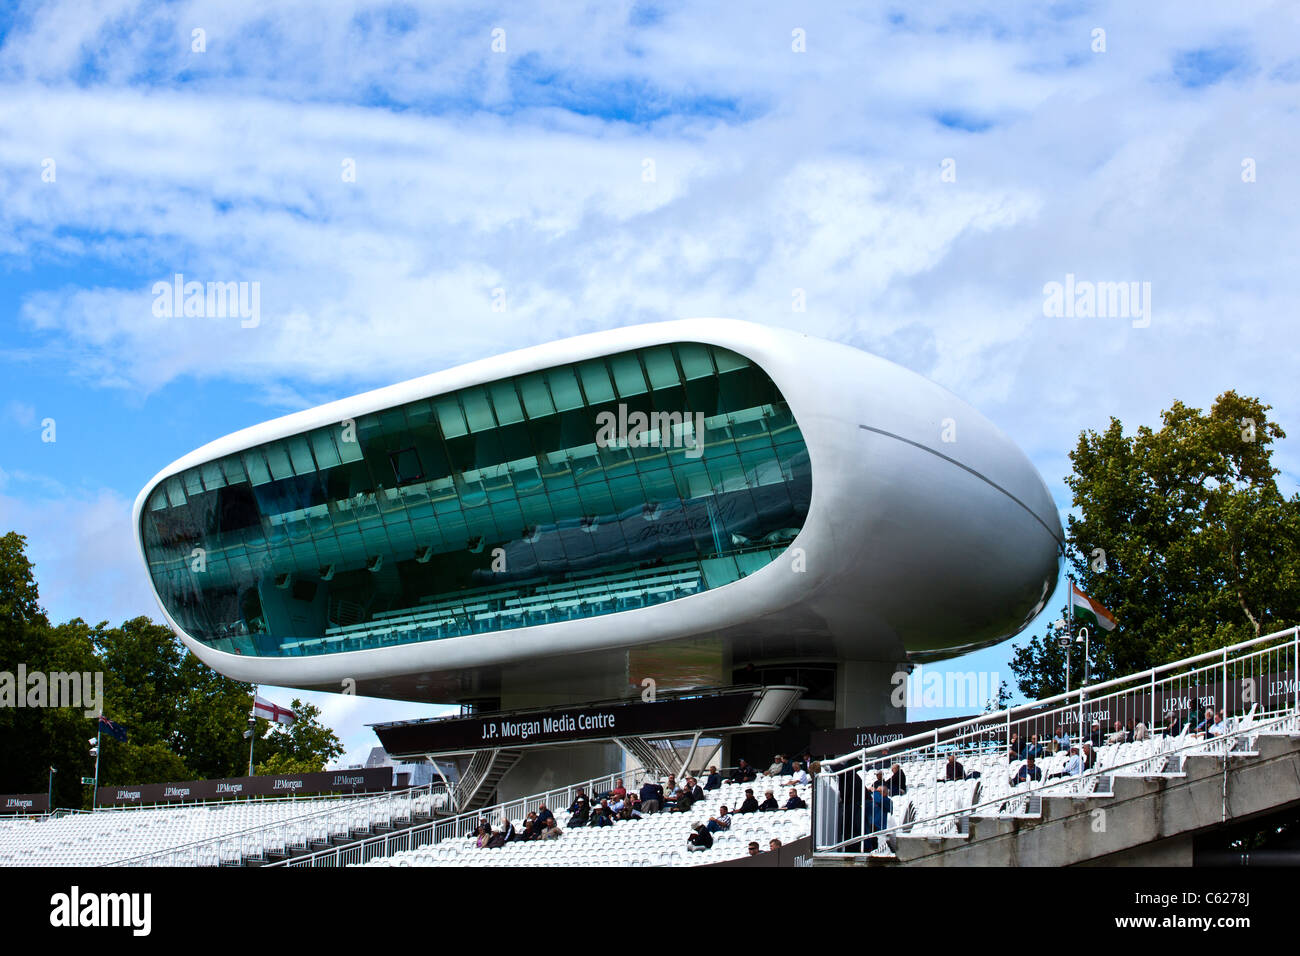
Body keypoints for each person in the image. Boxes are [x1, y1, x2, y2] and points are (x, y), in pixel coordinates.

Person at [865, 781, 892, 852]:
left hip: (878, 829)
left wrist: (875, 791)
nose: (878, 793)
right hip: (870, 827)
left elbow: (880, 800)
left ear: (885, 792)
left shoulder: (888, 801)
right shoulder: (872, 801)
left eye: (879, 791)